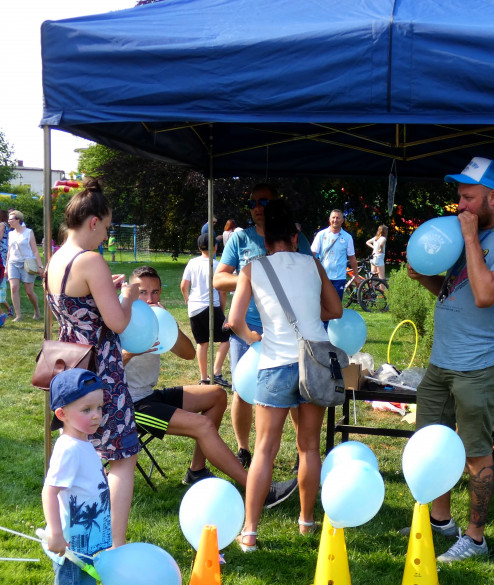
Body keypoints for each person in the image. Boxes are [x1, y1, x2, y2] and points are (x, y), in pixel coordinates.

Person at [408, 156, 494, 564]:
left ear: (493, 197)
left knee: (474, 451)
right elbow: (456, 293)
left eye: (468, 198)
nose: (460, 206)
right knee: (431, 445)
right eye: (459, 197)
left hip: (480, 363)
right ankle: (440, 520)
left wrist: (468, 239)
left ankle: (476, 538)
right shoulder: (468, 229)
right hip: (442, 360)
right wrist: (425, 277)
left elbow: (485, 295)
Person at [123, 265, 298, 504]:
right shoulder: (121, 320)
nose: (150, 298)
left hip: (148, 395)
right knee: (203, 426)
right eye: (143, 292)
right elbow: (103, 368)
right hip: (128, 406)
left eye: (155, 292)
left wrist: (168, 324)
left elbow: (186, 353)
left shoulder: (156, 319)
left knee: (217, 394)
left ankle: (196, 471)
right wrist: (133, 350)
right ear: (131, 292)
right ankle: (258, 490)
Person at [228, 198, 343, 552]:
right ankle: (306, 522)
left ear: (265, 241)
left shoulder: (252, 268)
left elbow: (234, 321)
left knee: (264, 449)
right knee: (309, 447)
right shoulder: (313, 264)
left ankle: (249, 531)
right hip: (315, 360)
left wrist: (252, 338)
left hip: (275, 362)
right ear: (295, 237)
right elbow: (335, 309)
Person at [45, 178, 141, 548]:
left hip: (71, 366)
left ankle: (79, 533)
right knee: (122, 457)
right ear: (93, 222)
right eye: (107, 227)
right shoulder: (90, 260)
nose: (106, 236)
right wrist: (128, 296)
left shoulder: (57, 258)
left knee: (84, 452)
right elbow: (117, 322)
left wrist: (108, 290)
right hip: (101, 369)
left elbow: (78, 308)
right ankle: (113, 544)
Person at [215, 183, 313, 468]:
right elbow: (219, 279)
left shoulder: (298, 238)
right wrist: (252, 278)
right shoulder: (240, 238)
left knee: (295, 393)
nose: (258, 207)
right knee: (242, 391)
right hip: (246, 331)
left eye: (265, 202)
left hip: (285, 331)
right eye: (253, 202)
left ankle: (300, 452)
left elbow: (308, 274)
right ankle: (244, 450)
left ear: (277, 204)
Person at [42, 368, 111, 585]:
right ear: (62, 414)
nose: (96, 415)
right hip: (72, 543)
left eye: (99, 407)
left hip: (87, 537)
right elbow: (50, 491)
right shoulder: (68, 448)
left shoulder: (82, 441)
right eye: (86, 409)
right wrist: (55, 532)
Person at [181, 233, 231, 386]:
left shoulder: (192, 262)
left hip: (195, 307)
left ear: (199, 247)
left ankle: (204, 378)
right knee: (227, 338)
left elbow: (184, 286)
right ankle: (216, 372)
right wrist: (221, 309)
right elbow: (222, 291)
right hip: (211, 306)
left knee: (202, 343)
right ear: (216, 247)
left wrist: (188, 301)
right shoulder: (217, 266)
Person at [311, 209, 358, 299]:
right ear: (329, 219)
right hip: (323, 276)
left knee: (336, 305)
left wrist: (356, 276)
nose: (335, 220)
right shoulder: (321, 234)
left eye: (338, 218)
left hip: (339, 278)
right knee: (322, 303)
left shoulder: (347, 237)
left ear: (342, 220)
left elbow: (352, 258)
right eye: (333, 217)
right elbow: (312, 254)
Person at [6, 209, 44, 321]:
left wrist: (40, 266)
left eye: (11, 219)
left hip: (27, 263)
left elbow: (35, 250)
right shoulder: (10, 234)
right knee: (13, 288)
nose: (9, 221)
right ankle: (18, 315)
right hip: (13, 262)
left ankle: (37, 310)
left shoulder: (28, 232)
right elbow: (9, 250)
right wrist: (6, 266)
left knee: (29, 291)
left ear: (18, 220)